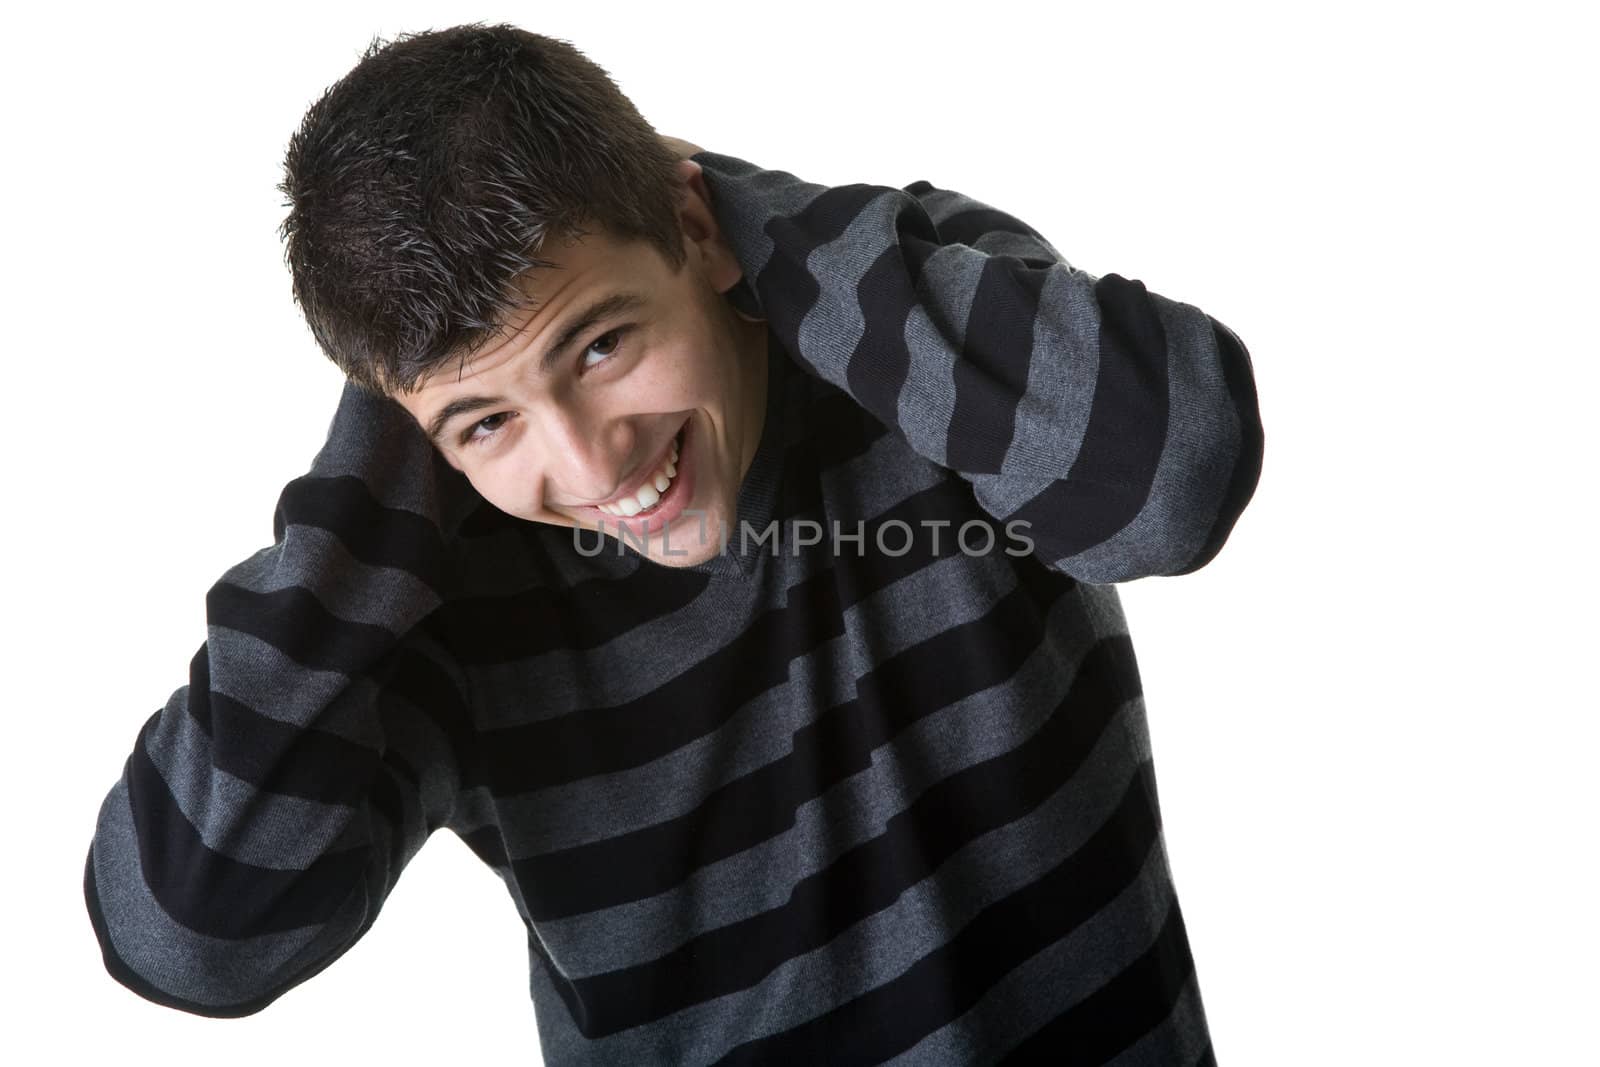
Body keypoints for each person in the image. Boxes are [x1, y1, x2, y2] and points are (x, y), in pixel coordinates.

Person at [83, 22, 1263, 1066]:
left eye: (598, 346)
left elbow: (1174, 485)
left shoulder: (915, 328)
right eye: (486, 422)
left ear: (696, 226)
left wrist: (743, 217)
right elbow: (192, 935)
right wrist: (390, 437)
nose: (597, 467)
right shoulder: (439, 590)